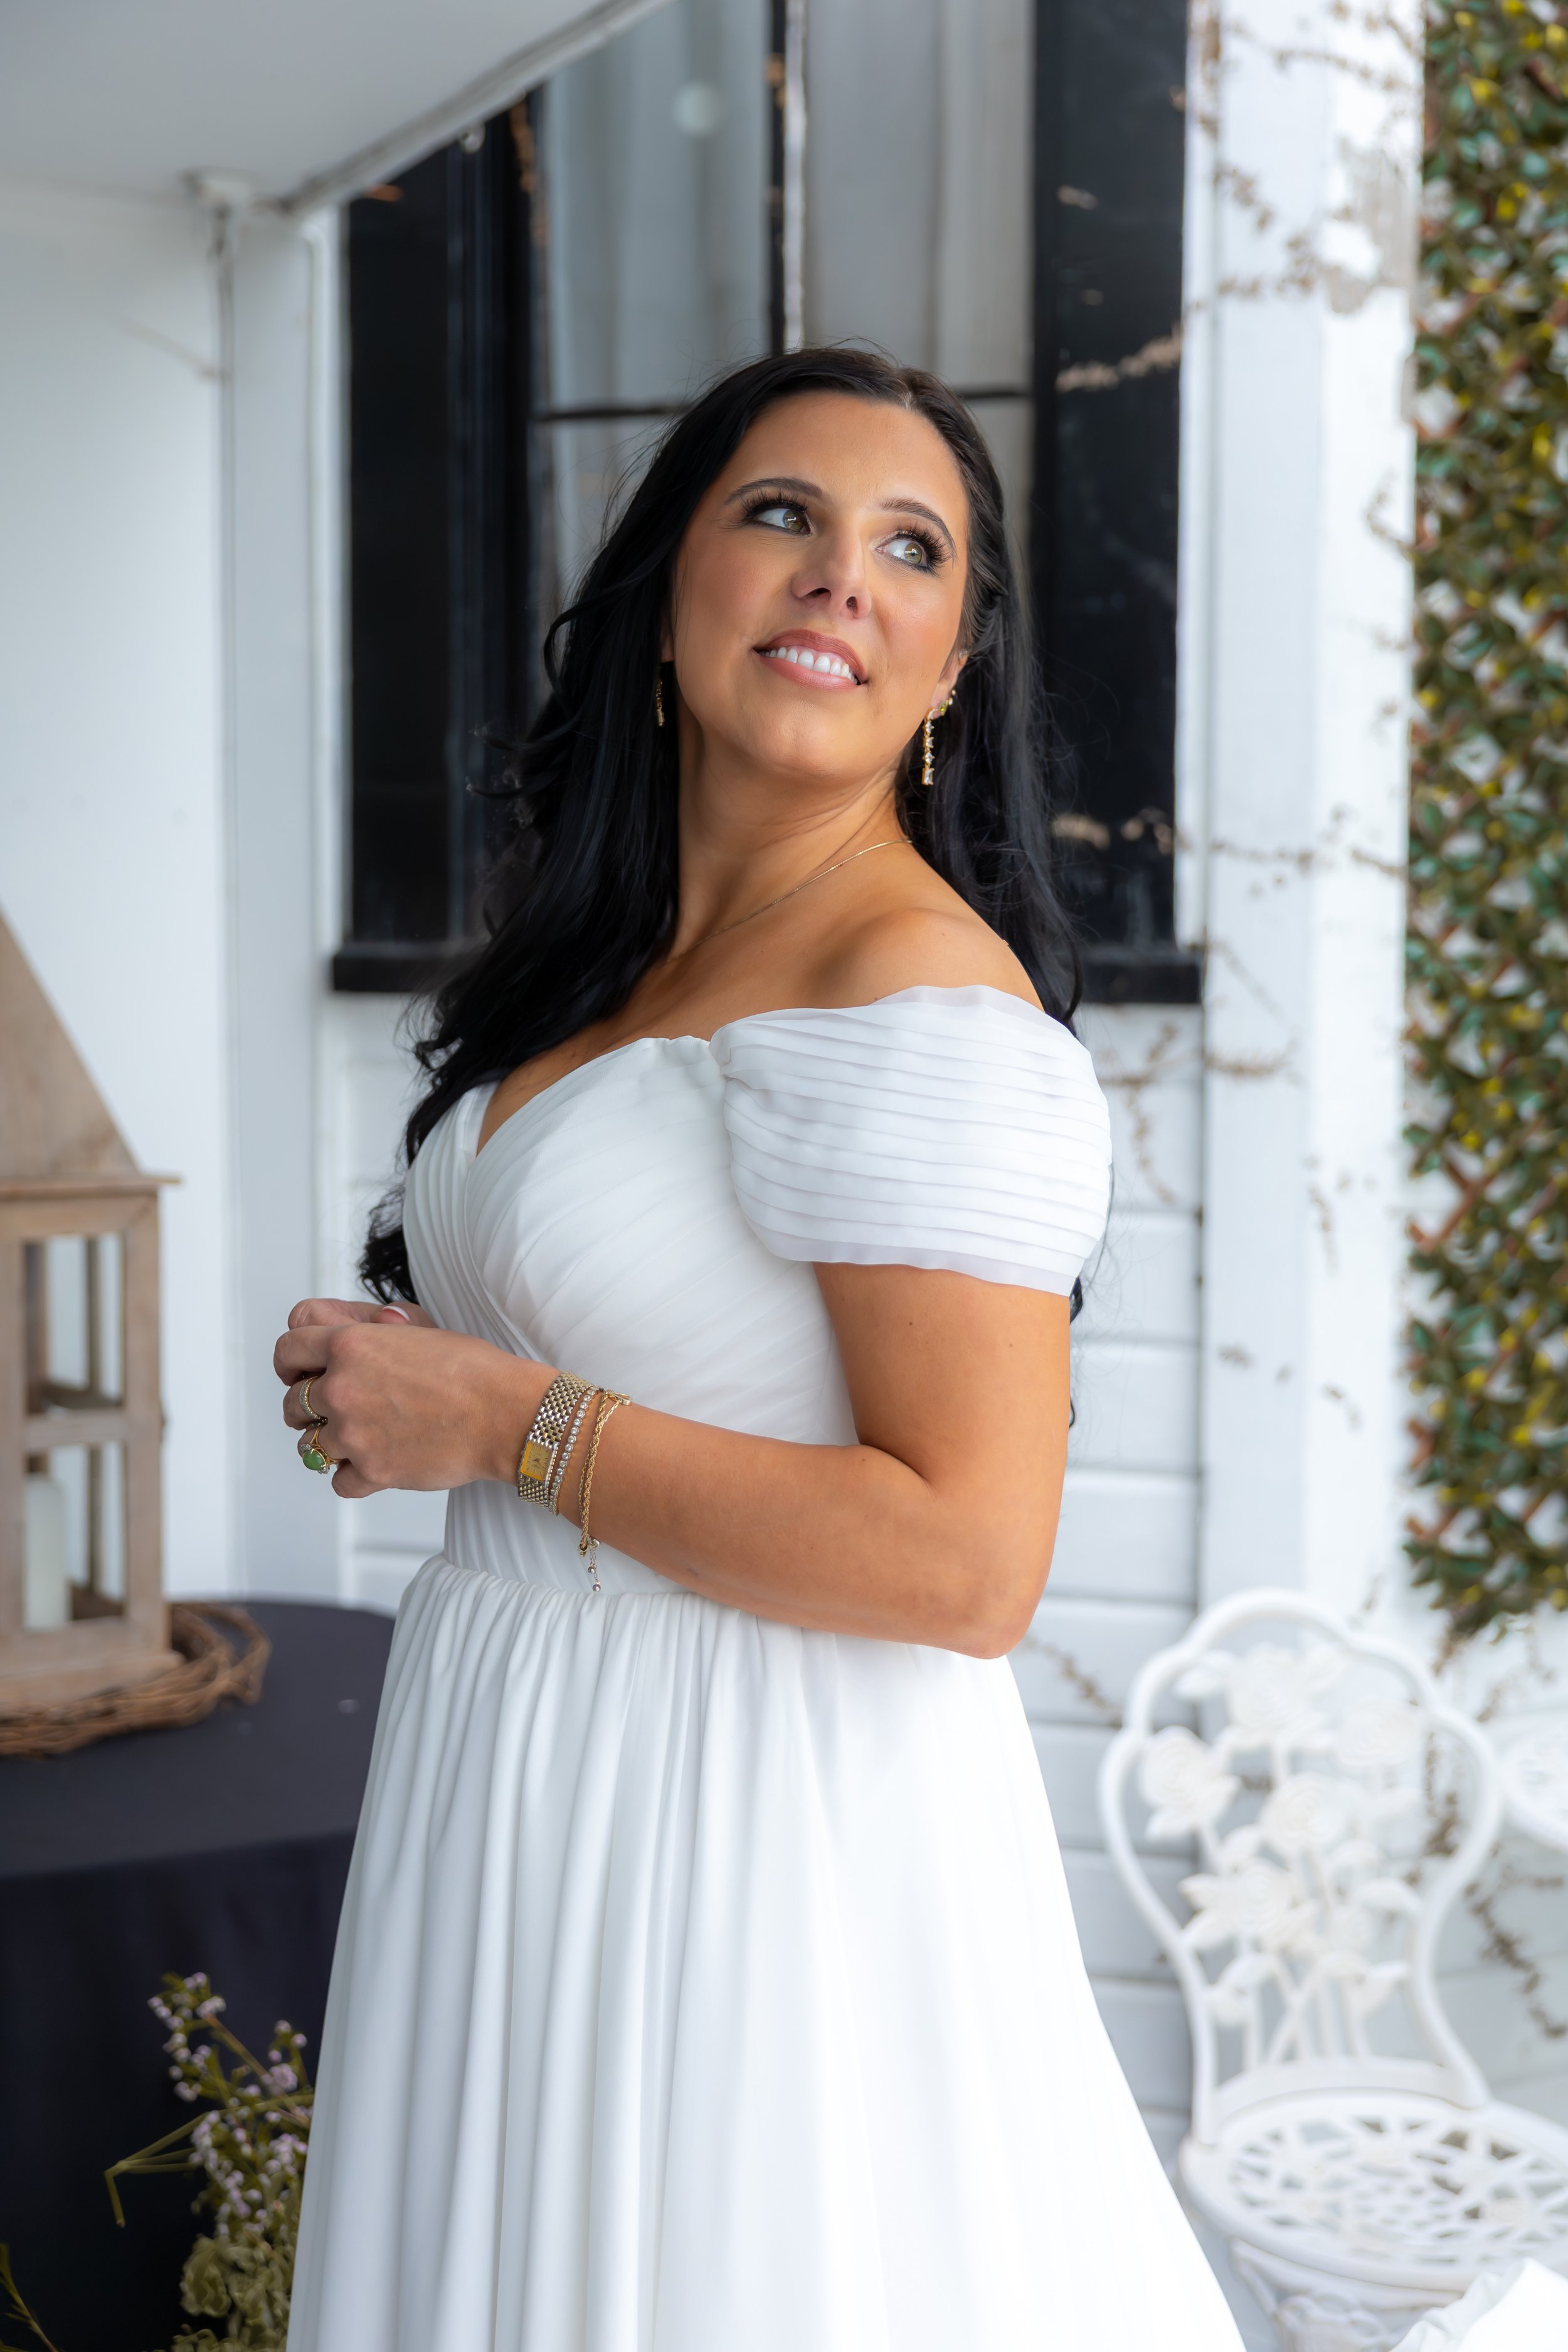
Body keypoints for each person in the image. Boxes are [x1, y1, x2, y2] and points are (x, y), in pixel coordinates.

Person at [277, 348, 1242, 2351]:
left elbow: (965, 1565)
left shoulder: (913, 1000)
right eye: (781, 516)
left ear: (951, 668)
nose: (840, 580)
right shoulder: (603, 964)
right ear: (666, 592)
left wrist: (510, 1418)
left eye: (913, 551)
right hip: (512, 1767)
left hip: (750, 1828)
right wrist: (417, 1383)